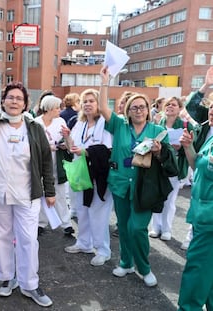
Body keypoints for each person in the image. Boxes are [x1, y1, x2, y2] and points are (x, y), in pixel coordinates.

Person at [0, 81, 55, 307]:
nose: (14, 101)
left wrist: (49, 190)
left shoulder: (35, 128)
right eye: (10, 97)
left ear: (26, 104)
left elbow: (46, 161)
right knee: (0, 236)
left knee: (28, 238)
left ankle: (30, 284)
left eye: (19, 98)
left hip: (26, 194)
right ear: (3, 100)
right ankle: (7, 278)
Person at [99, 65, 178, 287]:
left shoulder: (156, 130)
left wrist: (159, 151)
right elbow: (104, 107)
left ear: (147, 109)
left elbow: (169, 160)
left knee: (138, 228)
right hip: (121, 184)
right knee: (123, 226)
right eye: (134, 107)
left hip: (145, 187)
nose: (138, 110)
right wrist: (104, 82)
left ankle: (144, 267)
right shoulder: (119, 126)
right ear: (128, 111)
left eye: (142, 107)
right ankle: (125, 262)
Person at [62, 88, 113, 267]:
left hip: (99, 175)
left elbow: (107, 150)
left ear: (100, 104)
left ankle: (103, 250)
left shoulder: (106, 123)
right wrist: (67, 138)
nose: (87, 104)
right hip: (81, 173)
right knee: (82, 210)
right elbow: (72, 148)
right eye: (85, 101)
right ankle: (84, 243)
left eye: (92, 101)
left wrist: (87, 151)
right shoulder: (79, 123)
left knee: (98, 213)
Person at [177, 99, 213, 310]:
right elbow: (198, 167)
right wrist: (188, 147)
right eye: (211, 108)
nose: (212, 112)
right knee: (207, 271)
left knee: (197, 268)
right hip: (202, 214)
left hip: (210, 221)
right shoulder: (210, 137)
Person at [149, 97, 193, 241]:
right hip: (157, 165)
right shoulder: (156, 124)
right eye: (168, 104)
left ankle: (166, 229)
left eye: (174, 105)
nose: (170, 107)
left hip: (175, 166)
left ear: (180, 108)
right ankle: (156, 227)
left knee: (169, 199)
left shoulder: (185, 125)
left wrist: (181, 147)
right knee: (156, 196)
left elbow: (192, 145)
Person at [35, 95, 74, 236]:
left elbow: (69, 143)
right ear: (50, 108)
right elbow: (31, 145)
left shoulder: (60, 121)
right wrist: (46, 147)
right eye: (57, 107)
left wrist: (66, 139)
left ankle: (66, 223)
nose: (60, 110)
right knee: (40, 193)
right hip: (40, 162)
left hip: (56, 162)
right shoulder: (35, 122)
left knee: (60, 193)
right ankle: (41, 222)